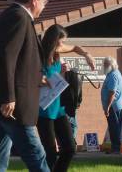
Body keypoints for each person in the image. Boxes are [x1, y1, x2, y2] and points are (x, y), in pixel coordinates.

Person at [0, 0, 51, 172]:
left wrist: (37, 77)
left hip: (2, 105)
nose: (44, 6)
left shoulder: (9, 16)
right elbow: (6, 57)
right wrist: (8, 96)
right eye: (44, 2)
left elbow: (17, 61)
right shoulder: (19, 18)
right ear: (34, 0)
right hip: (13, 107)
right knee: (37, 156)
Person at [37, 24, 94, 172]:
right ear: (53, 40)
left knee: (69, 148)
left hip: (59, 109)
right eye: (61, 41)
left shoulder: (57, 51)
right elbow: (28, 77)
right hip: (44, 110)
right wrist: (41, 80)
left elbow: (75, 48)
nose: (63, 45)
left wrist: (87, 55)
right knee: (50, 152)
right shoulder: (38, 55)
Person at [101, 57, 122, 154]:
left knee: (114, 127)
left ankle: (116, 148)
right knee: (113, 127)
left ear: (111, 65)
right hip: (113, 106)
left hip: (113, 107)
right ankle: (115, 147)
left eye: (106, 64)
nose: (104, 66)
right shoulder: (111, 74)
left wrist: (107, 107)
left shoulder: (113, 75)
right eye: (104, 64)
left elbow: (112, 92)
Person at [58, 63, 82, 147]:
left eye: (66, 67)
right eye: (63, 67)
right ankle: (68, 142)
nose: (64, 68)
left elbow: (78, 91)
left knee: (73, 124)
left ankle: (71, 141)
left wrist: (78, 102)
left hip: (70, 104)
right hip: (62, 104)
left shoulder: (73, 77)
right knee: (69, 124)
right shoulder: (59, 76)